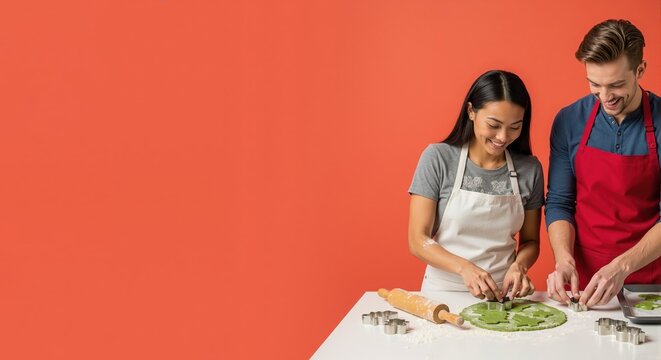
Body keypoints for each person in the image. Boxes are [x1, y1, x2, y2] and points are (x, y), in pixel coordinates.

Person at [546, 19, 661, 309]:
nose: (605, 96)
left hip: (651, 283)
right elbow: (560, 201)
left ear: (640, 70)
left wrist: (622, 267)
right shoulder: (569, 121)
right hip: (586, 285)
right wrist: (562, 258)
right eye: (594, 84)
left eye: (616, 85)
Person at [408, 70, 544, 301]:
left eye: (514, 127)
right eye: (494, 124)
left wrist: (519, 267)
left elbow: (531, 241)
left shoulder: (530, 169)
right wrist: (465, 268)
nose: (502, 136)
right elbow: (417, 240)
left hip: (504, 296)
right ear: (471, 111)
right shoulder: (438, 158)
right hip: (444, 294)